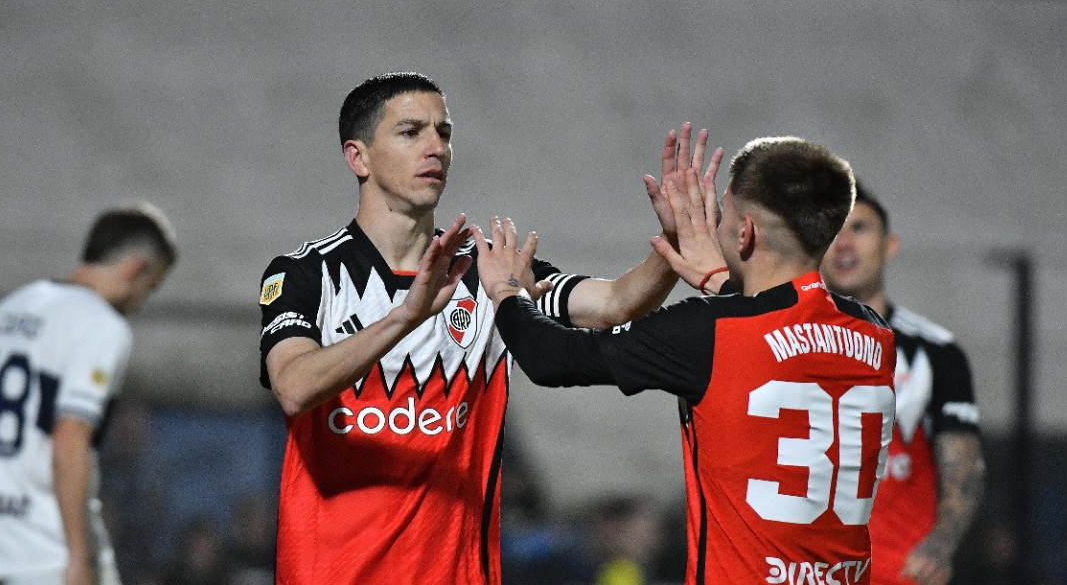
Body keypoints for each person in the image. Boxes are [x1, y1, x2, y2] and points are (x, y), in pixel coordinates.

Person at [257, 71, 713, 584]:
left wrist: (672, 245)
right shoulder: (304, 274)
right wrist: (406, 316)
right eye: (411, 132)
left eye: (444, 132)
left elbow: (614, 303)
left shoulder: (489, 270)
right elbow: (293, 388)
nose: (436, 148)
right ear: (357, 157)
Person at [473, 136, 898, 585]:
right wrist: (719, 283)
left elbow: (550, 359)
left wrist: (507, 290)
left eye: (724, 214)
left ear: (745, 232)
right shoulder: (874, 332)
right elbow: (784, 337)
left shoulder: (707, 332)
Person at [0, 202, 178, 585]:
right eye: (149, 288)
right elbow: (69, 437)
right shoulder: (101, 325)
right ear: (136, 269)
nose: (140, 301)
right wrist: (78, 555)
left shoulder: (5, 312)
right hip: (48, 556)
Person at [820, 185, 985, 585]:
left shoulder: (936, 351)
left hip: (899, 574)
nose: (844, 244)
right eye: (832, 232)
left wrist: (940, 545)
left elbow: (964, 467)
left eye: (859, 228)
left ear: (890, 245)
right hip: (800, 574)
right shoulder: (780, 344)